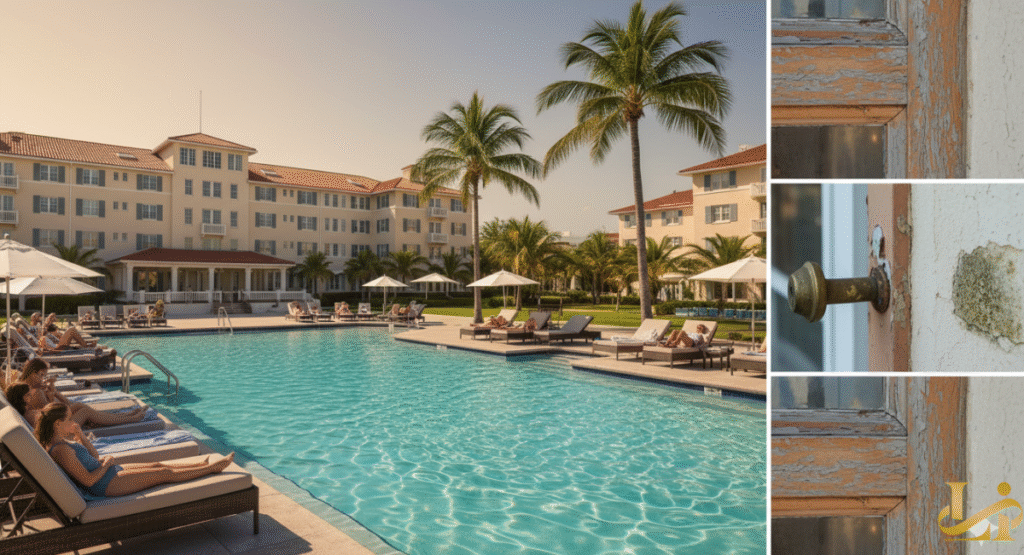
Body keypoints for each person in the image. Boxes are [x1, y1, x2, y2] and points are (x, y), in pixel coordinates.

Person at [37, 403, 234, 497]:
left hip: (107, 473)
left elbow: (94, 456)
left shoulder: (62, 440)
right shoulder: (61, 450)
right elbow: (88, 481)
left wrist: (80, 435)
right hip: (104, 485)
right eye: (69, 419)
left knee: (157, 465)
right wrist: (106, 464)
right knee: (164, 473)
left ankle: (199, 464)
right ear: (57, 424)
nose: (73, 421)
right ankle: (212, 468)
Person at [13, 359, 148, 427]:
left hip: (55, 422)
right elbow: (54, 415)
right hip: (56, 427)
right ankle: (130, 418)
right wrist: (51, 396)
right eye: (41, 375)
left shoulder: (30, 387)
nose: (43, 378)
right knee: (85, 411)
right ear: (32, 373)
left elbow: (66, 404)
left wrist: (53, 392)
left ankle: (125, 415)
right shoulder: (34, 392)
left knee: (79, 406)